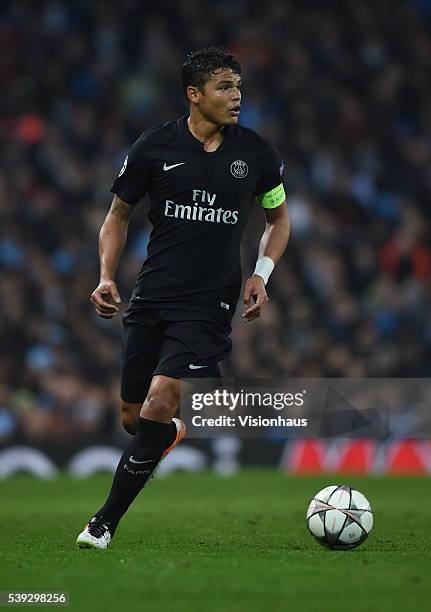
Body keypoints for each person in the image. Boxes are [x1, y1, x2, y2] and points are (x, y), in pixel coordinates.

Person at [76, 46, 290, 549]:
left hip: (209, 306)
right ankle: (168, 433)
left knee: (160, 398)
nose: (236, 96)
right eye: (223, 87)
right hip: (151, 298)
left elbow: (278, 221)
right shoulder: (154, 147)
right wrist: (106, 275)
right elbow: (118, 215)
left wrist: (261, 274)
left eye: (238, 86)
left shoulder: (257, 154)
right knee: (135, 420)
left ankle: (102, 524)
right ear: (194, 94)